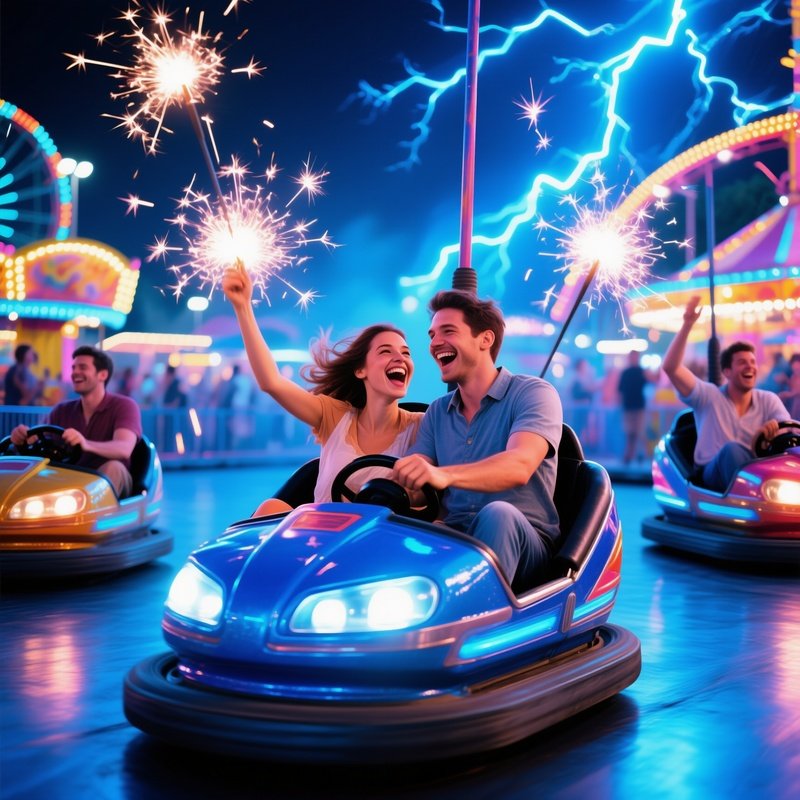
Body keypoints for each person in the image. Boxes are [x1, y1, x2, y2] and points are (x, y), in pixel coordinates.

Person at [392, 290, 563, 590]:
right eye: (432, 335)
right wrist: (396, 486)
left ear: (485, 339)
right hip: (455, 540)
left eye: (448, 331)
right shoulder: (437, 412)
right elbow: (418, 474)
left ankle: (477, 613)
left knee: (499, 514)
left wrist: (442, 475)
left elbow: (519, 466)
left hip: (525, 545)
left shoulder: (533, 393)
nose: (435, 343)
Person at [221, 261, 423, 509]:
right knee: (271, 508)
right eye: (385, 351)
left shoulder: (423, 425)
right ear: (360, 370)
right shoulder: (336, 417)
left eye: (406, 353)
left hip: (382, 533)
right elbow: (271, 382)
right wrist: (243, 307)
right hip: (323, 530)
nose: (400, 358)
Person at [662, 296, 789, 492]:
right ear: (727, 372)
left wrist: (774, 432)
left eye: (753, 362)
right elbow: (671, 367)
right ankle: (748, 496)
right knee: (731, 449)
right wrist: (687, 325)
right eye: (742, 362)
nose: (750, 366)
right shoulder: (708, 396)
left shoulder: (768, 399)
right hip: (712, 475)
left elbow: (789, 432)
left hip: (759, 475)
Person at [9, 346, 142, 498]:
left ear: (103, 375)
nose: (75, 372)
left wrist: (86, 443)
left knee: (114, 467)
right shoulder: (62, 410)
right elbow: (39, 440)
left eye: (82, 367)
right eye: (73, 368)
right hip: (68, 482)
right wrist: (23, 439)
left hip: (107, 479)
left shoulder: (124, 406)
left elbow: (124, 448)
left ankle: (90, 509)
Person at [617, 350, 652, 465]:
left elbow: (651, 380)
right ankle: (631, 455)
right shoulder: (627, 372)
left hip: (637, 406)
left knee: (639, 432)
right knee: (630, 432)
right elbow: (620, 391)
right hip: (629, 406)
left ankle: (639, 454)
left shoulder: (641, 371)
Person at [778, 353, 800, 419]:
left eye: (798, 367)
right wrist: (786, 381)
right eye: (794, 367)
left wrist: (787, 394)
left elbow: (797, 392)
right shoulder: (793, 376)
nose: (796, 368)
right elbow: (794, 386)